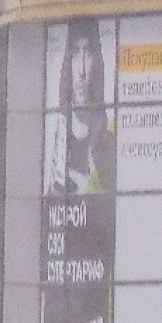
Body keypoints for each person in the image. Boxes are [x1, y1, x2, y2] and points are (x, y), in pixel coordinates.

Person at [47, 18, 116, 197]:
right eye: (76, 54)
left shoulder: (108, 134)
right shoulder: (57, 131)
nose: (82, 70)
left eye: (88, 53)